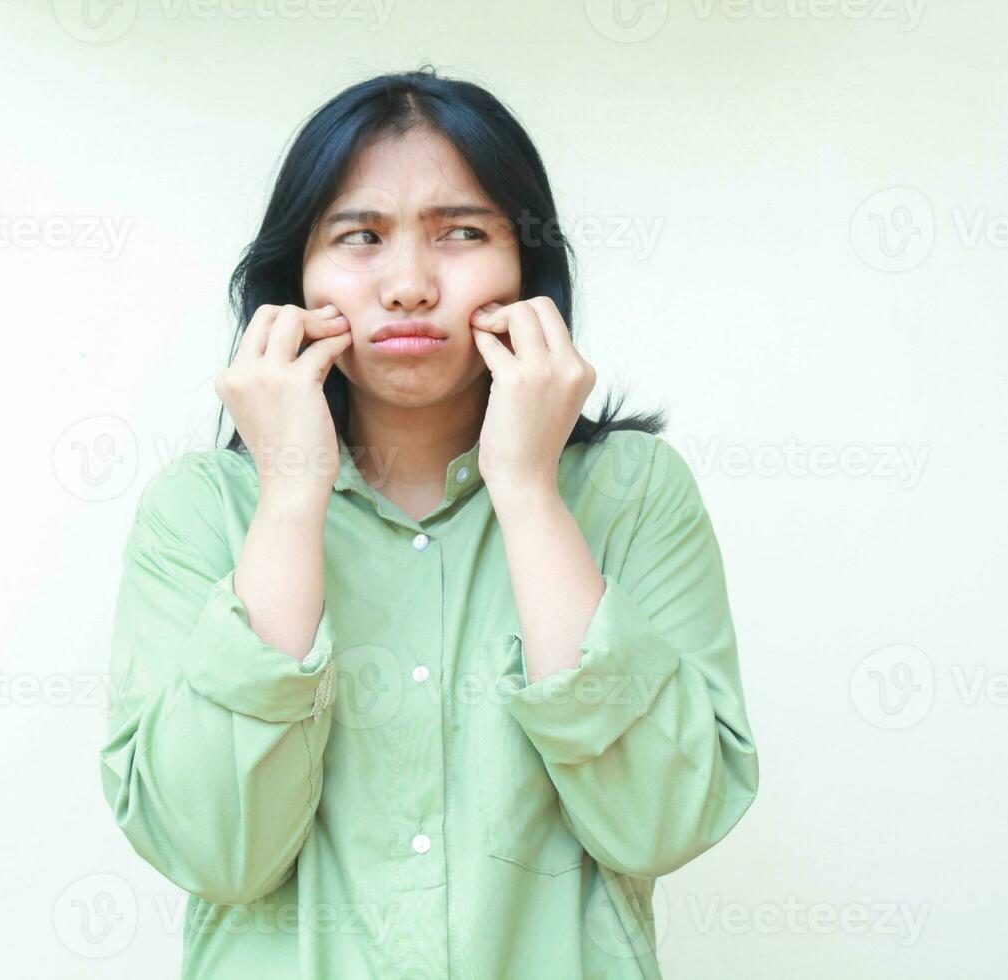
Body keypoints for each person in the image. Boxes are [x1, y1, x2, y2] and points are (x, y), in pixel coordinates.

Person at [99, 66, 759, 979]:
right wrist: (291, 491)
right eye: (359, 236)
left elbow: (661, 822)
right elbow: (215, 851)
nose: (409, 284)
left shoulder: (634, 492)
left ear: (528, 265)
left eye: (462, 232)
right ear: (296, 276)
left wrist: (526, 490)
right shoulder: (200, 512)